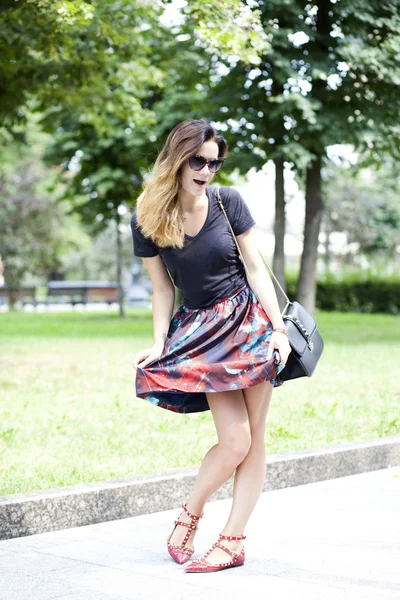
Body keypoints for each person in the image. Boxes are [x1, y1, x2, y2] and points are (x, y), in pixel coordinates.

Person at [130, 119, 291, 573]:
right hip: (205, 334)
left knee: (254, 439)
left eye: (214, 162)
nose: (207, 170)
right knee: (234, 439)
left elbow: (256, 269)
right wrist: (159, 343)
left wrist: (278, 330)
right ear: (177, 159)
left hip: (249, 325)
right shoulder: (147, 217)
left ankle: (233, 541)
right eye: (198, 161)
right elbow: (163, 289)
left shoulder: (228, 201)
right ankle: (190, 514)